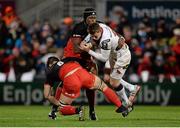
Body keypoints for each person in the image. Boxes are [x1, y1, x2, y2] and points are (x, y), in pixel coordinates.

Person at [49, 8, 98, 120]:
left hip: (85, 57)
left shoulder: (98, 26)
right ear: (85, 18)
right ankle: (54, 109)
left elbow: (108, 32)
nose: (93, 20)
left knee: (91, 83)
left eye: (94, 18)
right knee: (65, 81)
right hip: (72, 56)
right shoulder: (79, 28)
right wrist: (92, 46)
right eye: (90, 18)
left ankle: (92, 111)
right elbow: (76, 49)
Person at [44, 56, 130, 121]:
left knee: (62, 109)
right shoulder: (66, 59)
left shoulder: (49, 72)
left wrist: (58, 104)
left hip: (70, 79)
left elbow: (47, 95)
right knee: (103, 87)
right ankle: (121, 106)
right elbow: (86, 62)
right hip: (81, 72)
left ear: (49, 65)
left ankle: (78, 110)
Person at [80, 22, 141, 107]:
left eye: (95, 36)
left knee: (113, 83)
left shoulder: (105, 41)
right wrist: (85, 41)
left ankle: (126, 103)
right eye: (92, 36)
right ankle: (132, 88)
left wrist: (88, 51)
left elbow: (104, 58)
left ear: (99, 31)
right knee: (111, 78)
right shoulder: (100, 26)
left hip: (122, 56)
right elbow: (91, 34)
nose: (94, 38)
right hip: (115, 53)